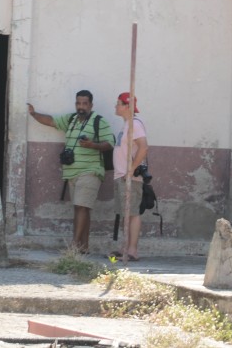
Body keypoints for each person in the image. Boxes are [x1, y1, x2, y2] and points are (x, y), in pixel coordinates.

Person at [27, 90, 114, 253]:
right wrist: (33, 114)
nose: (81, 107)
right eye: (78, 103)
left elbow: (110, 143)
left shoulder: (99, 122)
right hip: (72, 172)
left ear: (91, 105)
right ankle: (84, 247)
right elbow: (51, 121)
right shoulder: (71, 119)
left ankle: (73, 247)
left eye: (84, 103)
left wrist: (93, 145)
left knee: (81, 207)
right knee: (82, 208)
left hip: (91, 171)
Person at [111, 92, 149, 262]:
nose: (115, 106)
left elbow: (143, 147)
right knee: (125, 213)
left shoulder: (135, 124)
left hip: (130, 177)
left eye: (118, 103)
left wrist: (132, 169)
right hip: (121, 175)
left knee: (132, 213)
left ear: (127, 106)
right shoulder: (127, 124)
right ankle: (125, 247)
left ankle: (132, 250)